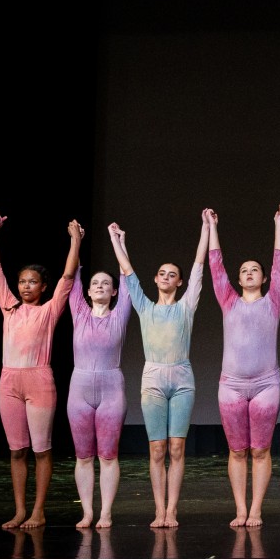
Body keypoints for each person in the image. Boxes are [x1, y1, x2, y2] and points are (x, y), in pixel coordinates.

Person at [109, 212, 210, 528]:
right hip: (153, 379)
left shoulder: (186, 306)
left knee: (177, 447)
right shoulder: (144, 306)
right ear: (155, 279)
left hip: (182, 379)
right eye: (162, 273)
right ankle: (158, 509)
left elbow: (199, 267)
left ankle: (172, 510)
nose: (166, 277)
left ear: (179, 282)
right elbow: (128, 274)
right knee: (156, 449)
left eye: (172, 275)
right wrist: (116, 240)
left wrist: (206, 228)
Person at [0, 215, 81, 529]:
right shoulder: (9, 306)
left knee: (41, 449)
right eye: (22, 282)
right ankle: (19, 510)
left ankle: (38, 510)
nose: (25, 286)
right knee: (17, 450)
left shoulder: (49, 310)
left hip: (39, 381)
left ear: (43, 286)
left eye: (32, 282)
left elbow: (68, 277)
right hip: (9, 381)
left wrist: (75, 241)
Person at [207, 208, 280, 527]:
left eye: (255, 270)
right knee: (237, 450)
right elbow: (216, 267)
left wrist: (278, 224)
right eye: (244, 270)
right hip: (232, 385)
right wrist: (212, 227)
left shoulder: (274, 301)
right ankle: (240, 509)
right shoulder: (229, 300)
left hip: (266, 384)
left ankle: (256, 510)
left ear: (264, 279)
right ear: (238, 280)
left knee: (260, 450)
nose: (250, 273)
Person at [67, 244, 134, 530]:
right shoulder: (79, 312)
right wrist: (76, 242)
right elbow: (72, 277)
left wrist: (119, 242)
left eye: (106, 283)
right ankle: (87, 512)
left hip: (111, 389)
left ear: (114, 291)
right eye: (95, 283)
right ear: (87, 290)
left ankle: (105, 512)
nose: (99, 286)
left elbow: (128, 278)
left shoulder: (119, 315)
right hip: (79, 390)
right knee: (83, 456)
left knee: (108, 455)